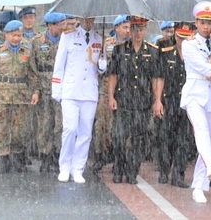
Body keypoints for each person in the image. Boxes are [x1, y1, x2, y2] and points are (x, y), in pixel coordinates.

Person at [52, 15, 107, 184]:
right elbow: (59, 64)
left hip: (89, 92)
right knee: (70, 129)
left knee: (85, 132)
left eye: (91, 19)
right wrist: (57, 89)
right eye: (85, 19)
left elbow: (102, 69)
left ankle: (78, 168)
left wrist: (102, 61)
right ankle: (64, 167)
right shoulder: (68, 36)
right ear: (79, 19)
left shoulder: (100, 38)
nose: (88, 22)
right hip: (70, 91)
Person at [107, 16, 162, 184]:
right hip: (124, 100)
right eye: (135, 29)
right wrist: (110, 97)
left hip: (143, 102)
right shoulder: (120, 50)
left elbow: (156, 78)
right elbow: (113, 75)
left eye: (141, 29)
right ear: (129, 30)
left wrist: (157, 100)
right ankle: (118, 168)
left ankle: (132, 171)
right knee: (120, 138)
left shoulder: (152, 51)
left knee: (139, 140)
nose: (138, 33)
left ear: (145, 30)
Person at [181, 1, 211, 204]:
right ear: (196, 22)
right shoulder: (188, 44)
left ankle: (199, 186)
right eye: (202, 22)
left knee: (210, 140)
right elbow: (204, 69)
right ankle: (210, 166)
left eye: (209, 22)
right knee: (201, 131)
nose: (206, 26)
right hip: (195, 95)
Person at [0, 20, 40, 173]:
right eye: (14, 35)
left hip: (21, 96)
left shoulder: (27, 52)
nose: (17, 38)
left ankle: (17, 158)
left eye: (19, 35)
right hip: (2, 95)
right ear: (6, 35)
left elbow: (33, 75)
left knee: (19, 129)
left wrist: (35, 91)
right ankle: (2, 159)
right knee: (1, 128)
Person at [155, 23, 195, 188]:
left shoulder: (195, 55)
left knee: (184, 140)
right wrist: (157, 100)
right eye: (179, 37)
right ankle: (165, 171)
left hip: (188, 103)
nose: (182, 41)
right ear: (175, 36)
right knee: (166, 138)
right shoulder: (166, 53)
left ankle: (179, 174)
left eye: (186, 37)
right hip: (169, 101)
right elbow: (160, 78)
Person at [90, 15, 130, 172]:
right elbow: (100, 68)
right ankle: (101, 156)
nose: (127, 30)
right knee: (103, 124)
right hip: (107, 89)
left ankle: (121, 159)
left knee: (122, 127)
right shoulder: (106, 45)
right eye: (124, 27)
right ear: (116, 28)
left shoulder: (133, 45)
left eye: (129, 27)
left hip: (126, 89)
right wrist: (101, 63)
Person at [31, 12, 66, 171]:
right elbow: (32, 69)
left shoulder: (67, 40)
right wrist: (36, 89)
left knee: (60, 123)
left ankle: (58, 155)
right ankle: (45, 156)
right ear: (51, 25)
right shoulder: (37, 42)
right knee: (45, 124)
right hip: (44, 88)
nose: (63, 27)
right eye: (60, 24)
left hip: (62, 87)